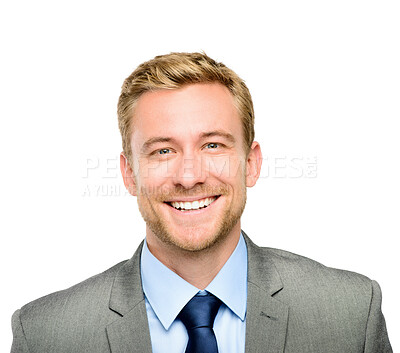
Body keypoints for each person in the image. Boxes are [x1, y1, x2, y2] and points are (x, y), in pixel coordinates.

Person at [11, 52, 392, 353]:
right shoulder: (45, 334)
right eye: (162, 150)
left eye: (213, 145)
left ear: (251, 164)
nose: (189, 176)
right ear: (129, 174)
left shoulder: (351, 313)